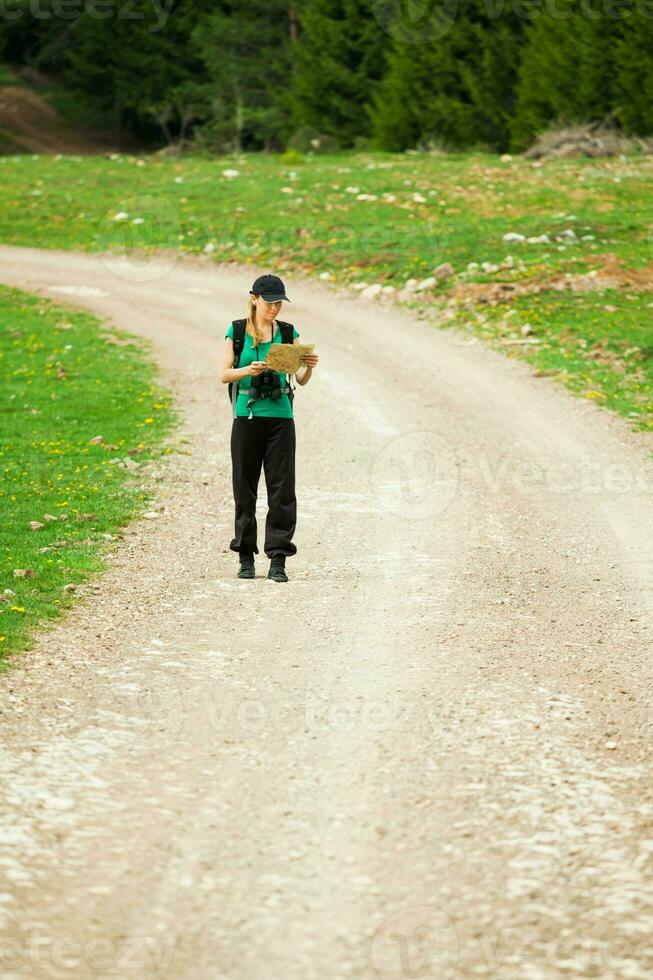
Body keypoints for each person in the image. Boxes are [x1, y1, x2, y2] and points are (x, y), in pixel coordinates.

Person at [220, 274, 319, 583]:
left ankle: (278, 559)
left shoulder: (289, 333)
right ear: (254, 299)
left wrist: (310, 366)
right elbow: (224, 374)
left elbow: (300, 381)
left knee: (282, 490)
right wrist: (248, 370)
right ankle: (245, 556)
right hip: (246, 418)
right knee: (244, 488)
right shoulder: (237, 331)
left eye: (279, 303)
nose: (275, 308)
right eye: (269, 302)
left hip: (280, 418)